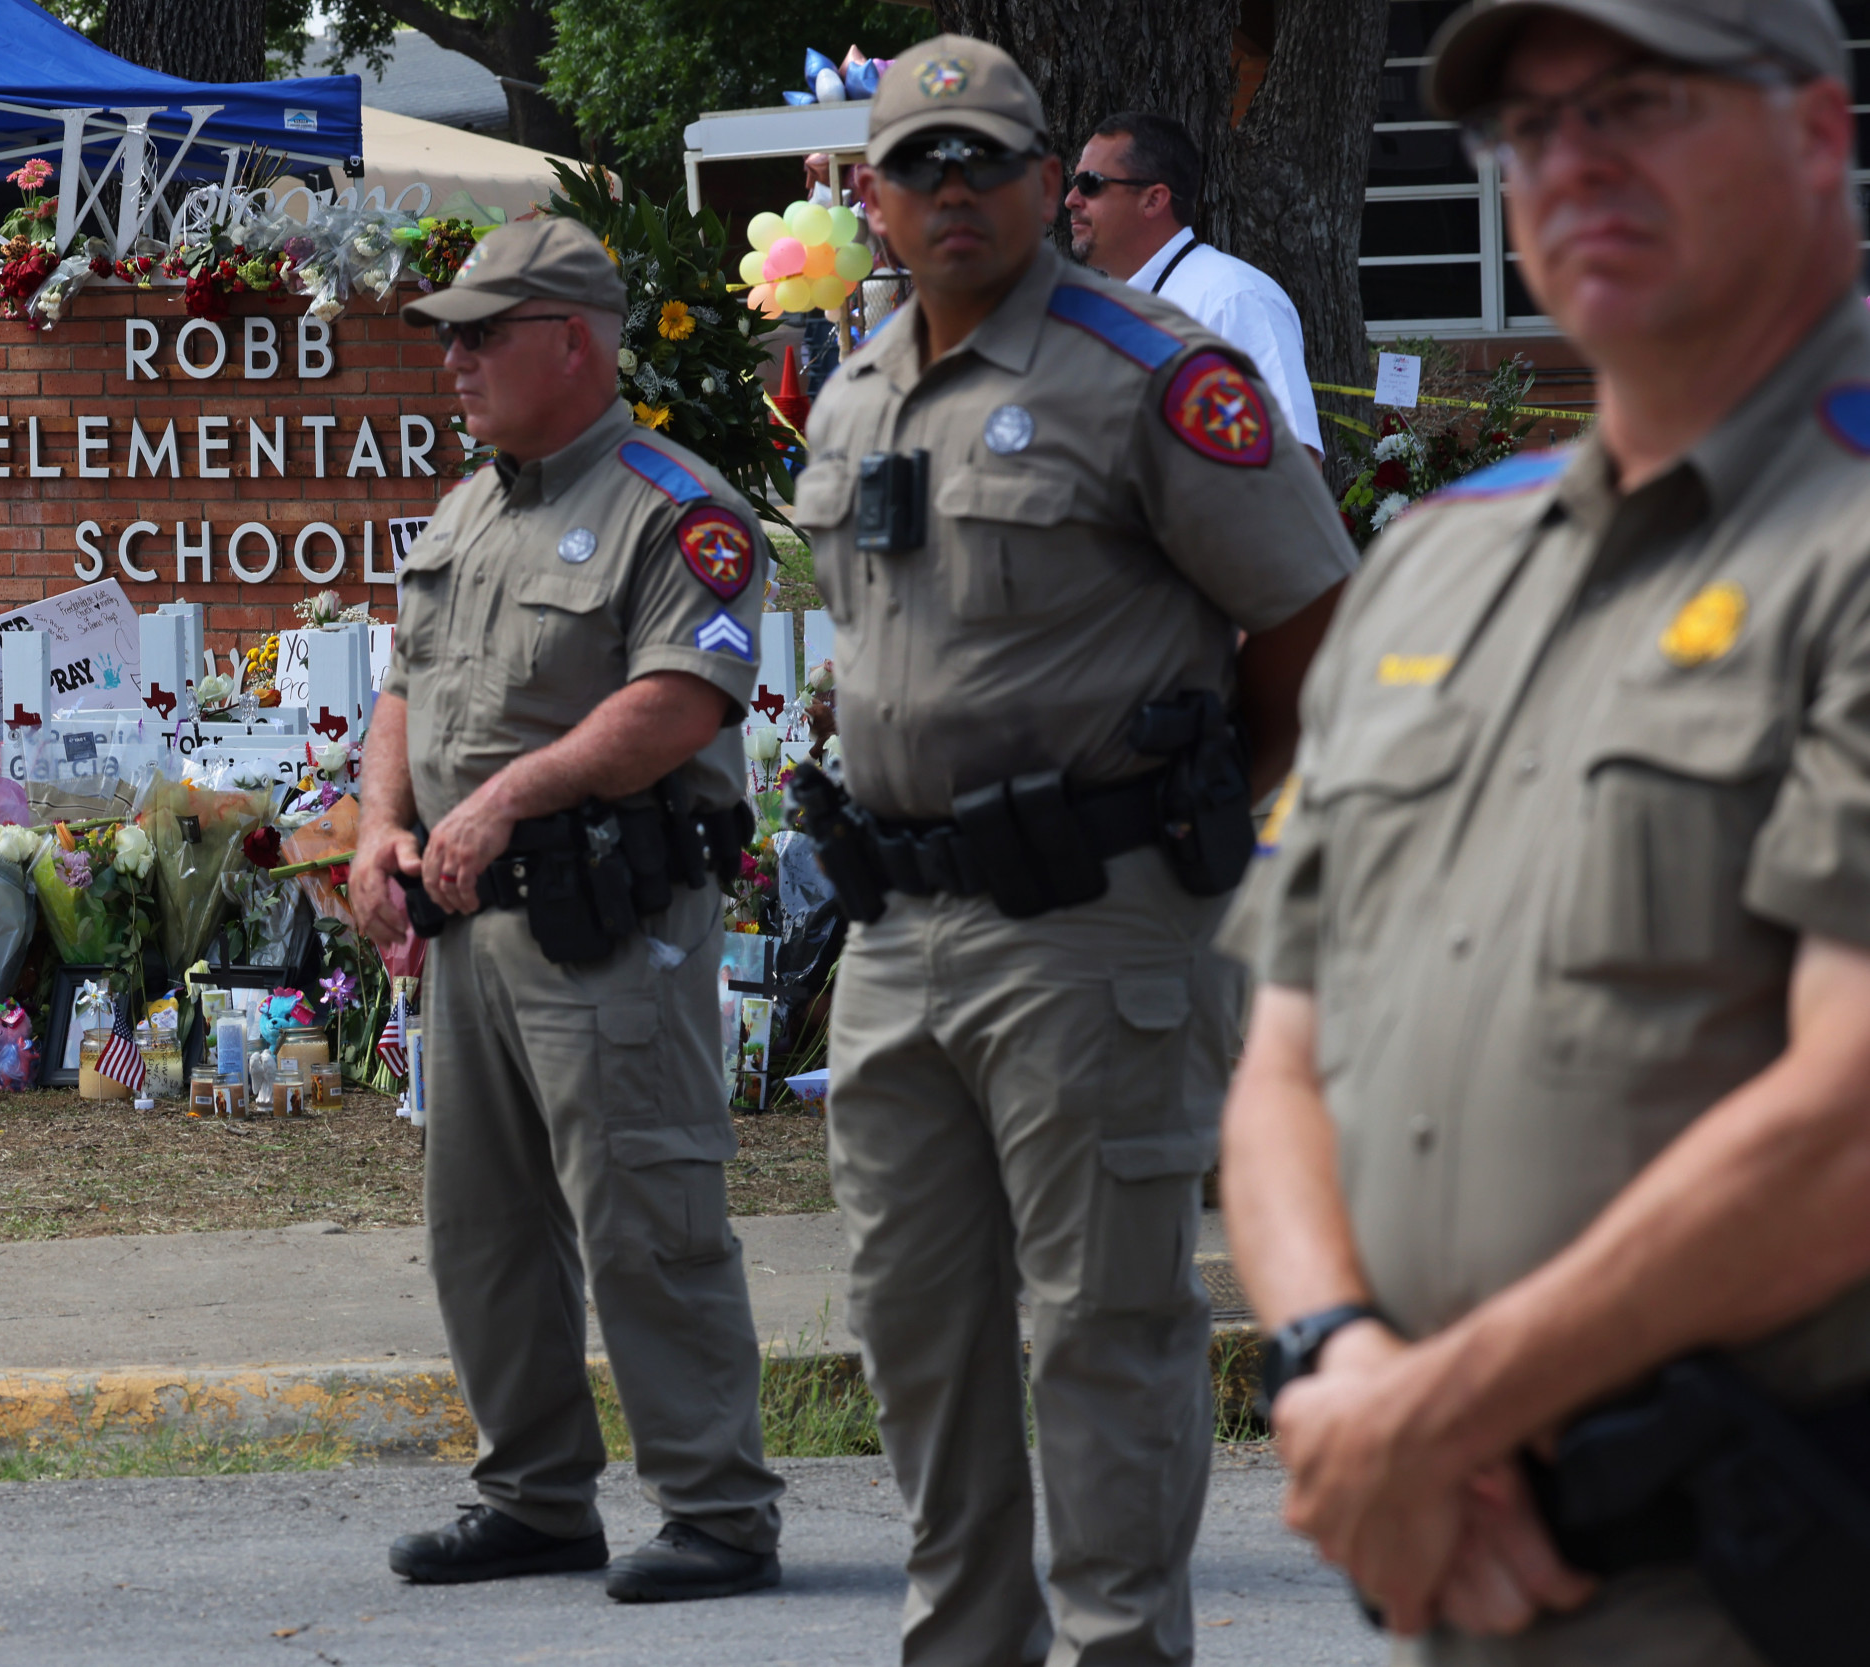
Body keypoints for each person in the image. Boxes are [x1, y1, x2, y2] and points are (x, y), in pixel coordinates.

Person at [1219, 0, 1870, 1660]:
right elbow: (1286, 1052)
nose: (1570, 160)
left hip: (1775, 1580)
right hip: (1465, 1569)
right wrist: (1340, 1365)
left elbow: (1849, 1123)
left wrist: (1430, 1414)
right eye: (1527, 127)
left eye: (1638, 102)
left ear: (1816, 137)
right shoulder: (1437, 564)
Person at [794, 34, 1356, 1667]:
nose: (953, 188)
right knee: (913, 1329)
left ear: (1053, 184)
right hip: (897, 938)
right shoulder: (852, 387)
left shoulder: (1152, 374)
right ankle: (963, 1642)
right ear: (875, 197)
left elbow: (1313, 617)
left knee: (1105, 1332)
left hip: (1096, 930)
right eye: (921, 164)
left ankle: (1123, 1648)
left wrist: (1180, 803)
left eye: (987, 160)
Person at [349, 214, 785, 1604]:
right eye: (450, 337)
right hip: (472, 924)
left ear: (573, 341)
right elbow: (405, 686)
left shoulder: (678, 507)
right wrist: (381, 826)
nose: (454, 362)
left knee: (643, 1206)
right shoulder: (475, 503)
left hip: (609, 912)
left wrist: (503, 800)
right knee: (480, 1223)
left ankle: (717, 1508)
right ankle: (534, 1492)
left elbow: (678, 703)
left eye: (481, 333)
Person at [1066, 112, 1325, 465]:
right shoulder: (1098, 313)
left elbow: (1293, 468)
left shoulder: (1234, 300)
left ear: (1154, 200)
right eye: (1074, 182)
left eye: (1090, 183)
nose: (1071, 199)